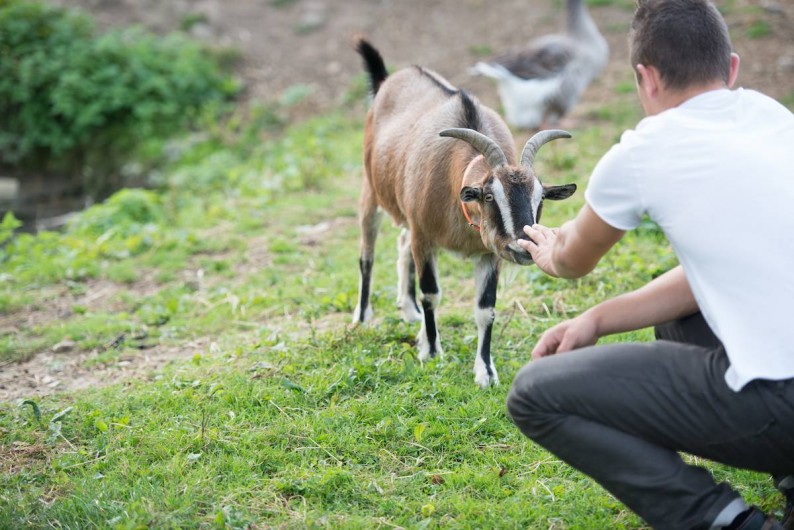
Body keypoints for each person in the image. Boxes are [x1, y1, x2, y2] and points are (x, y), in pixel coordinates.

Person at [506, 0, 794, 529]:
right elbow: (716, 277)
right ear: (731, 67)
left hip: (783, 400)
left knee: (534, 393)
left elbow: (572, 259)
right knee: (679, 320)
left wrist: (550, 251)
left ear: (646, 79)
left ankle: (728, 521)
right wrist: (595, 320)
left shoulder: (644, 151)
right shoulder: (776, 119)